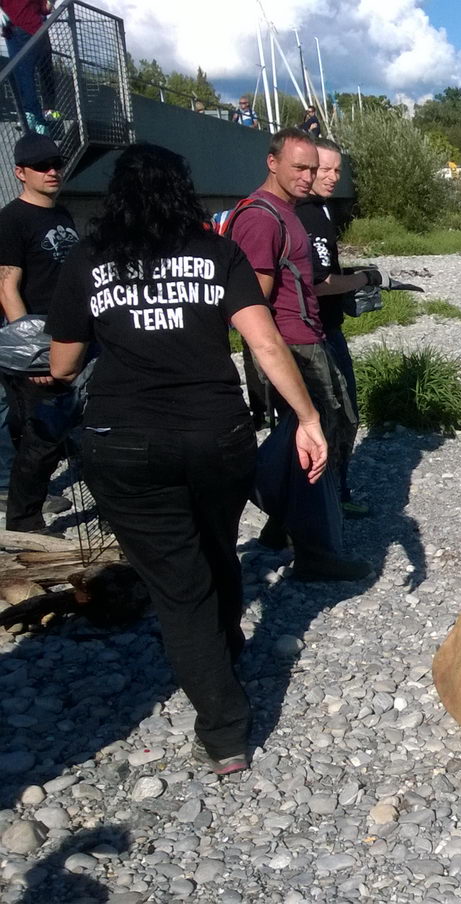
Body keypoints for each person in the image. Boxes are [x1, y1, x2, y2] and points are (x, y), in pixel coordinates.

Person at [47, 142, 328, 776]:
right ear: (183, 192)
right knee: (216, 546)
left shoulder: (90, 260)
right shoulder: (217, 253)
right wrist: (308, 419)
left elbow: (62, 363)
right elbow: (264, 342)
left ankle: (225, 726)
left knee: (178, 585)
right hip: (217, 434)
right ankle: (224, 650)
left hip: (125, 440)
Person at [228, 127, 365, 580]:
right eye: (299, 168)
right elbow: (255, 303)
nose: (308, 177)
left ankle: (279, 527)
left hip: (304, 340)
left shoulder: (286, 212)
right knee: (317, 439)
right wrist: (275, 358)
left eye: (313, 168)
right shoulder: (262, 218)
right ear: (273, 163)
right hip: (292, 347)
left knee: (299, 440)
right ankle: (315, 551)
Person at [296, 136, 382, 518]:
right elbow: (316, 280)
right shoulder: (309, 214)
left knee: (326, 415)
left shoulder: (321, 209)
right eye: (323, 170)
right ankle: (330, 497)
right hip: (317, 334)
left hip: (324, 327)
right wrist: (362, 280)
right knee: (339, 415)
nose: (331, 177)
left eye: (336, 170)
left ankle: (306, 503)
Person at [0, 132, 75, 533]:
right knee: (39, 431)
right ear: (19, 172)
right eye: (42, 166)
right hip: (37, 343)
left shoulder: (61, 214)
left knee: (63, 425)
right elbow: (7, 287)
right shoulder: (11, 219)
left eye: (56, 164)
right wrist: (33, 353)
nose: (52, 171)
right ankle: (22, 518)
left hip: (70, 338)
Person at [1, 0, 52, 133]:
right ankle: (35, 117)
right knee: (21, 74)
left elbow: (45, 8)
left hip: (25, 30)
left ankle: (34, 116)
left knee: (24, 74)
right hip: (15, 31)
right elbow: (45, 8)